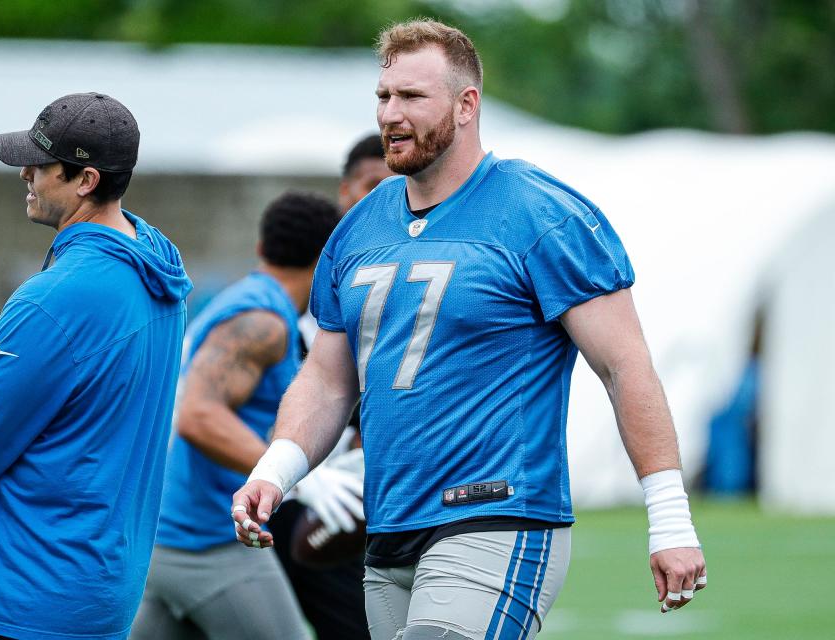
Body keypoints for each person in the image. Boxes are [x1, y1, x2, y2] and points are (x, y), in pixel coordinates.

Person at [232, 19, 707, 640]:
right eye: (384, 96)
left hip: (498, 515)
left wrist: (669, 516)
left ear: (466, 105)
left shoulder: (541, 212)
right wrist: (275, 470)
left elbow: (625, 366)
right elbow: (326, 379)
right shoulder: (358, 227)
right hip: (391, 522)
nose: (391, 115)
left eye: (412, 98)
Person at [0, 93, 192, 640]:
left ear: (86, 180)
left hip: (34, 595)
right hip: (102, 585)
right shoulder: (158, 269)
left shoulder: (54, 299)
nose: (25, 172)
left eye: (40, 163)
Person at [130, 191, 344, 640]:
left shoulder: (248, 299)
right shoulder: (263, 320)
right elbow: (198, 417)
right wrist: (293, 474)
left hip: (165, 534)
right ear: (331, 262)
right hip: (205, 540)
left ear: (263, 248)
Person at [268, 134, 393, 640]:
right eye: (372, 186)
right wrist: (299, 475)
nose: (385, 196)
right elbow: (202, 413)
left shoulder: (409, 275)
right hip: (293, 492)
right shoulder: (306, 284)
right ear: (346, 191)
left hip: (364, 495)